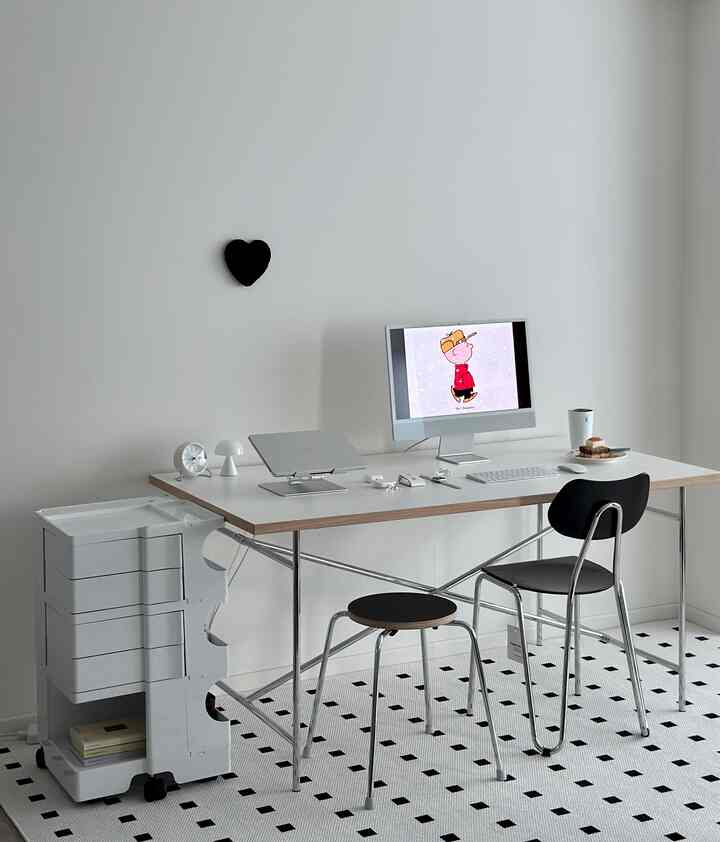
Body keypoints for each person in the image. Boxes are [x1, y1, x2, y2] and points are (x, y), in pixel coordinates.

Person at [440, 329, 477, 403]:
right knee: (463, 384)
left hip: (462, 373)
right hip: (461, 378)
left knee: (464, 382)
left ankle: (463, 394)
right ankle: (461, 394)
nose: (470, 346)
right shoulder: (455, 352)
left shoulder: (459, 363)